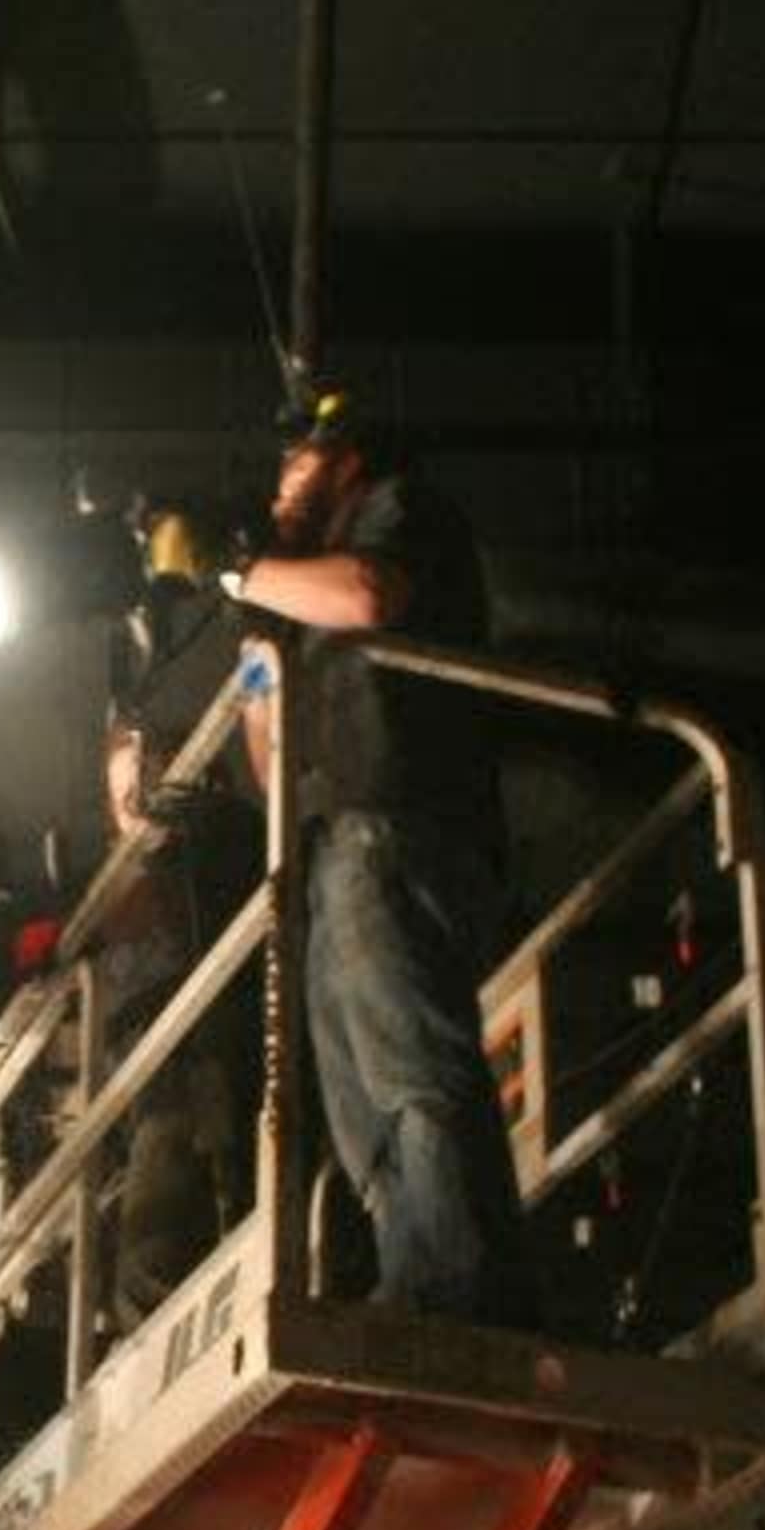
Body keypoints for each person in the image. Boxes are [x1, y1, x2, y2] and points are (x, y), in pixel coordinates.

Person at [221, 392, 539, 1327]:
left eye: (298, 466)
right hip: (331, 842)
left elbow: (369, 597)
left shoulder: (395, 510)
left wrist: (239, 568)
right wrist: (252, 633)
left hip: (401, 820)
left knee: (406, 1055)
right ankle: (419, 1268)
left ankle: (461, 1282)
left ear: (346, 460)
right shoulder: (288, 590)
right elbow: (264, 755)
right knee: (357, 1100)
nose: (284, 486)